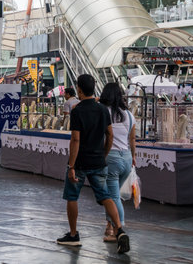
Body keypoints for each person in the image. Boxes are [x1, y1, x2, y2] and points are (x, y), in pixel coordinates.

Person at [56, 74, 130, 254]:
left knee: (72, 197)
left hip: (80, 163)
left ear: (79, 90)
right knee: (106, 196)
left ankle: (73, 235)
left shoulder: (77, 110)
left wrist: (71, 166)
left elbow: (75, 139)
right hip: (99, 162)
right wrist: (103, 154)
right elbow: (110, 135)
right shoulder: (103, 110)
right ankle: (119, 230)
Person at [99, 83, 136, 242]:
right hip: (127, 158)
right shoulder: (129, 114)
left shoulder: (103, 112)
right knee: (113, 196)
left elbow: (102, 137)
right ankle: (109, 226)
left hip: (111, 158)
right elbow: (132, 139)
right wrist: (133, 157)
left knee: (113, 196)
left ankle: (118, 231)